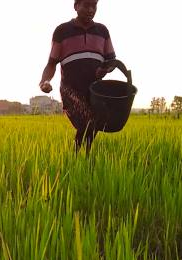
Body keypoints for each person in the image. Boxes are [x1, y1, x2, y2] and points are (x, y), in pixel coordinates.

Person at [39, 0, 116, 154]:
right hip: (70, 90)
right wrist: (45, 81)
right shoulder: (62, 31)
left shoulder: (102, 31)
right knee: (89, 122)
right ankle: (78, 158)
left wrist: (105, 69)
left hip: (94, 92)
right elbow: (52, 63)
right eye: (86, 5)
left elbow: (112, 61)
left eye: (94, 6)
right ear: (76, 6)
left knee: (92, 126)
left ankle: (80, 160)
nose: (90, 10)